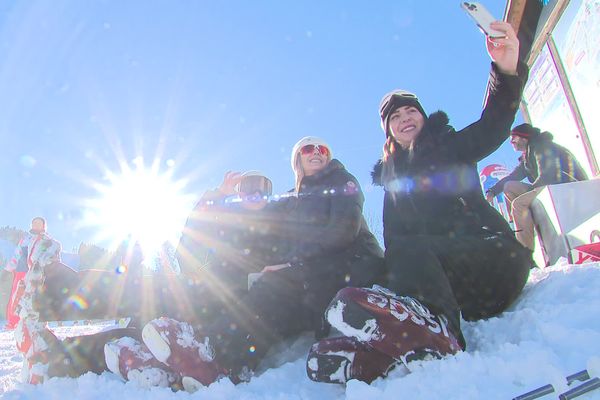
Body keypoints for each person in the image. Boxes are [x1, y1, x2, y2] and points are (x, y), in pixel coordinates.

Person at [307, 21, 534, 384]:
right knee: (377, 265)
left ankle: (442, 337)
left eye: (410, 111)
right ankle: (377, 345)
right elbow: (396, 248)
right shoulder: (394, 184)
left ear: (423, 117)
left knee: (409, 250)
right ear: (389, 133)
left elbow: (494, 124)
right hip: (456, 287)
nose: (404, 118)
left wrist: (504, 71)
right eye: (394, 117)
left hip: (494, 263)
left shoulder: (450, 145)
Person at [104, 137, 384, 392]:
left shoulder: (338, 182)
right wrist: (215, 197)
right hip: (297, 276)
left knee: (268, 290)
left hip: (340, 271)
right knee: (208, 285)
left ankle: (214, 356)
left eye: (322, 149)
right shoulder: (286, 203)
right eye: (307, 149)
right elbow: (189, 246)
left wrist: (290, 264)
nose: (316, 153)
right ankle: (165, 361)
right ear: (297, 161)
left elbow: (341, 231)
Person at [485, 123, 588, 250]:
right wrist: (492, 192)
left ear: (524, 138)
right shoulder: (527, 157)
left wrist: (529, 195)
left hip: (565, 185)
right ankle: (528, 218)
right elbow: (512, 177)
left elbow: (547, 174)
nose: (511, 142)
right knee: (509, 186)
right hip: (548, 187)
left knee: (518, 204)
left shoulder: (541, 146)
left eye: (514, 138)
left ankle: (526, 253)